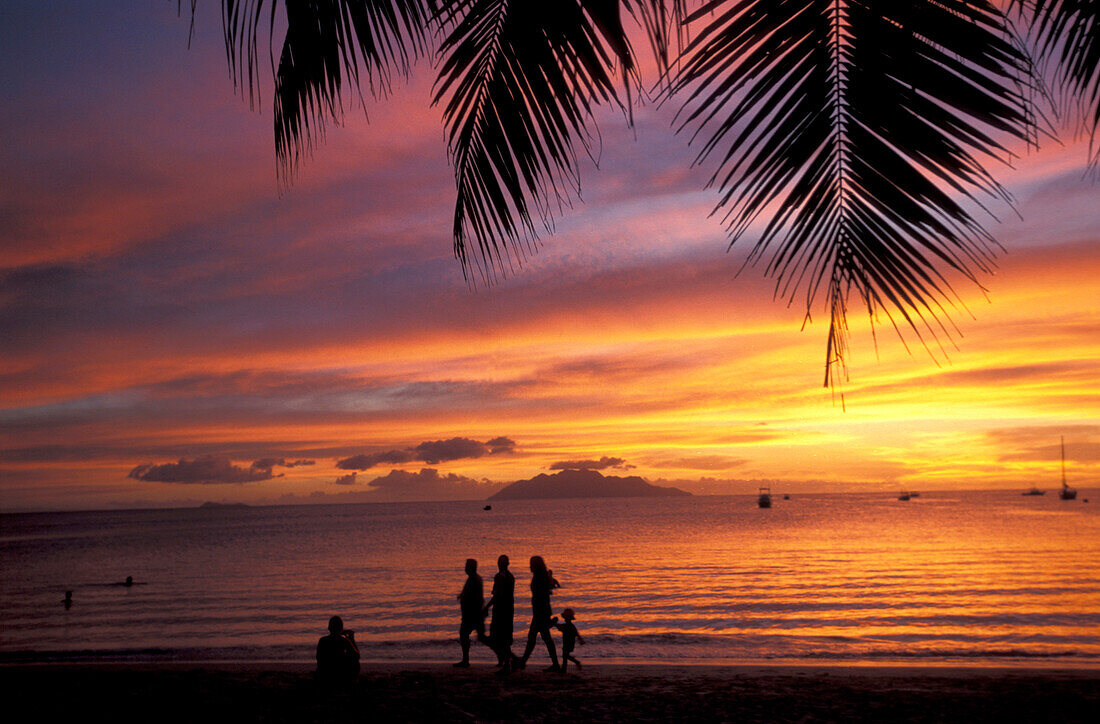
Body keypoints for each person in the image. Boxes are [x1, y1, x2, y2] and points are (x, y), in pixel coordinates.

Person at [517, 555, 560, 672]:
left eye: (531, 564)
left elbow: (540, 596)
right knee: (539, 638)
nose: (529, 566)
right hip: (542, 610)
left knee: (537, 638)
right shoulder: (542, 577)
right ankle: (524, 662)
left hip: (540, 611)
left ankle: (524, 662)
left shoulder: (539, 578)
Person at [484, 554, 515, 672]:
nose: (499, 565)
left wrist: (486, 607)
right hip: (508, 610)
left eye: (500, 563)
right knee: (504, 637)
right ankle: (505, 660)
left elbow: (497, 595)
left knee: (499, 637)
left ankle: (506, 662)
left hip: (501, 611)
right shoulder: (510, 577)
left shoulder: (500, 577)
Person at [455, 558, 487, 667]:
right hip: (472, 614)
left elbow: (477, 597)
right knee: (480, 637)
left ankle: (466, 660)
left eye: (467, 566)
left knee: (465, 635)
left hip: (472, 614)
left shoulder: (474, 579)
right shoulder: (472, 579)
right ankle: (465, 659)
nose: (465, 568)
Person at [316, 615, 360, 687]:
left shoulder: (323, 640)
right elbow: (356, 656)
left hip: (324, 674)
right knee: (356, 663)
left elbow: (318, 658)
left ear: (329, 628)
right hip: (339, 675)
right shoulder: (343, 640)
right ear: (341, 628)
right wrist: (351, 639)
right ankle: (352, 682)